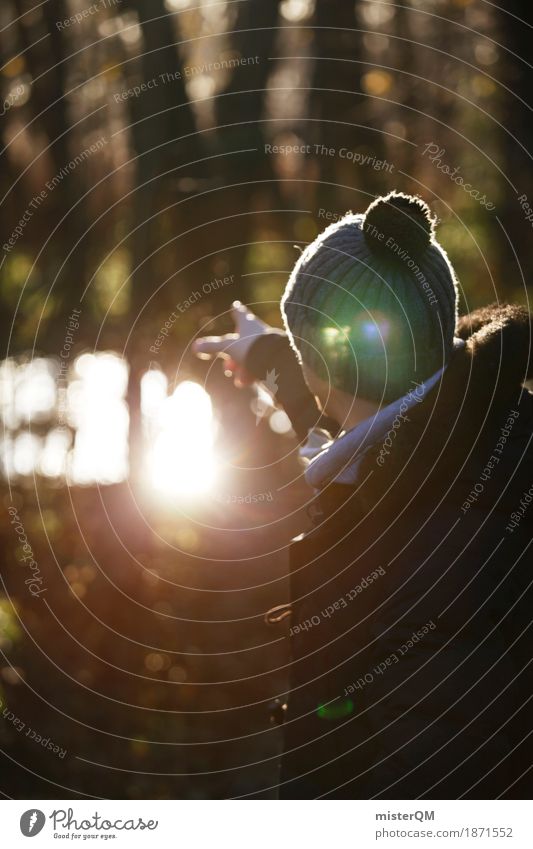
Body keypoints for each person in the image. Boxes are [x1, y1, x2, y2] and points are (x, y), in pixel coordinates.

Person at [194, 191, 533, 799]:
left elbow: (440, 781)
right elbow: (358, 429)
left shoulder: (431, 555)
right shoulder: (470, 424)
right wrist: (267, 354)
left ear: (323, 366)